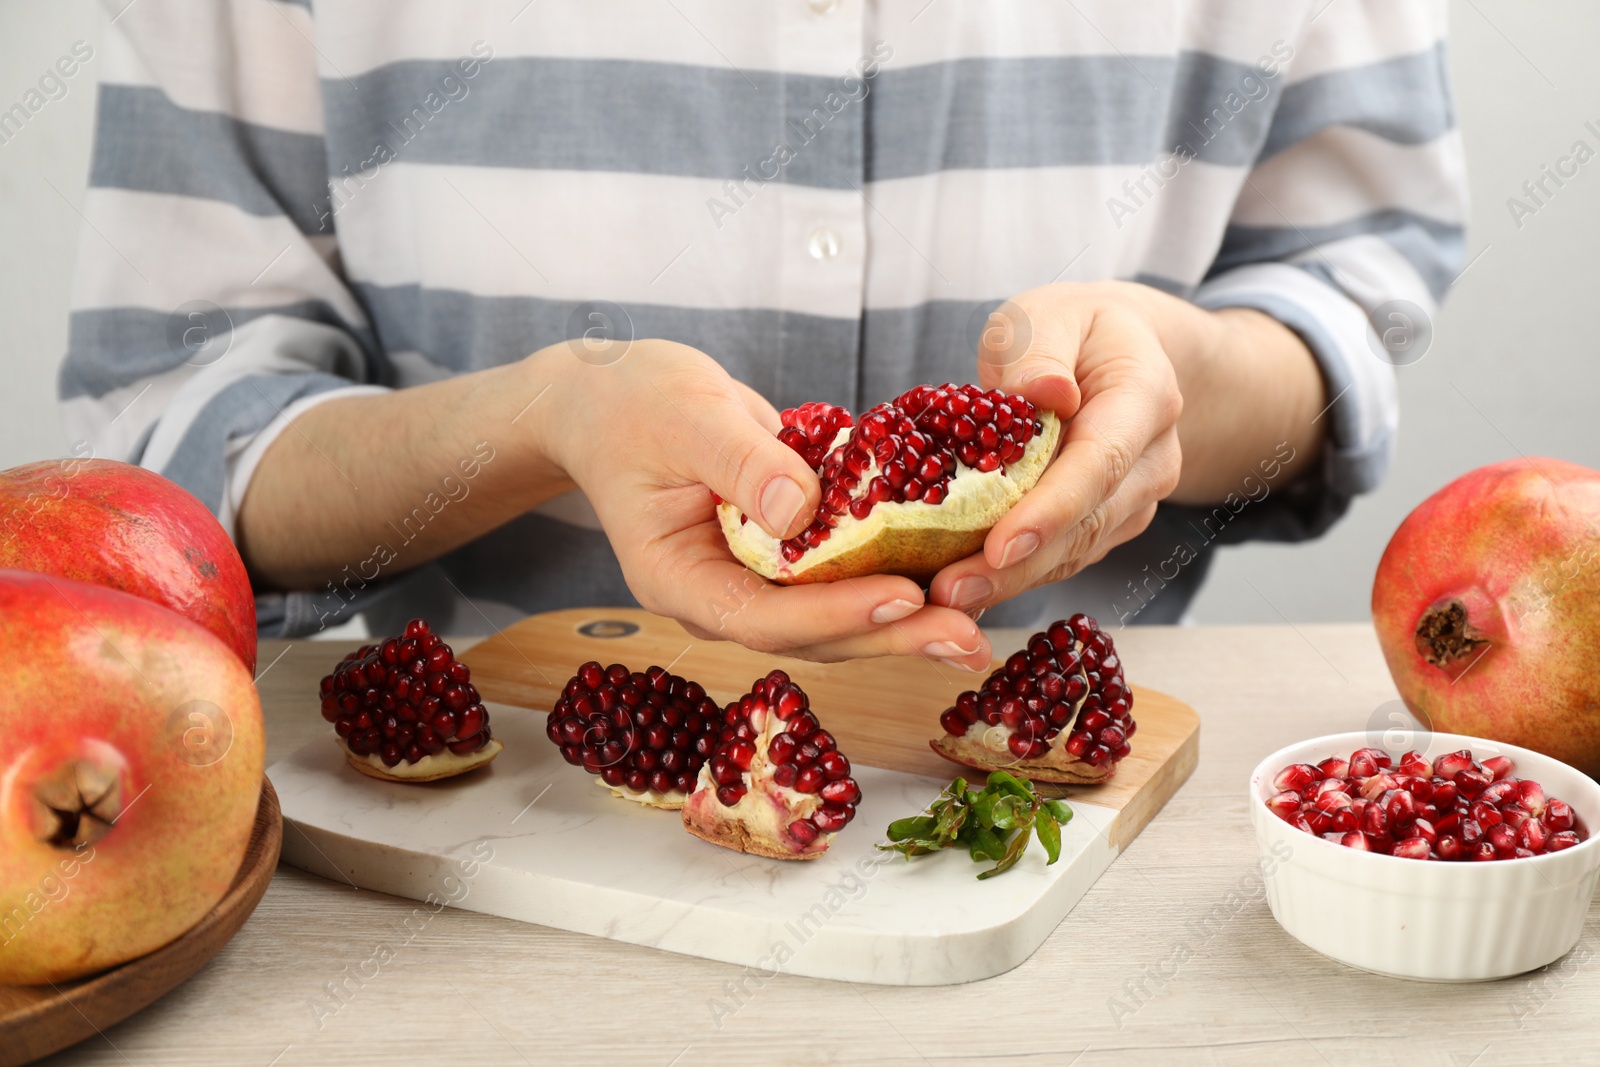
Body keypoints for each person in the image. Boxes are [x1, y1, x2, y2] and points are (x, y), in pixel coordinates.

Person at [61, 1, 1463, 671]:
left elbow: (1339, 300)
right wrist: (542, 423)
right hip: (495, 840)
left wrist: (1182, 376)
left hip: (1060, 831)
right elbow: (175, 428)